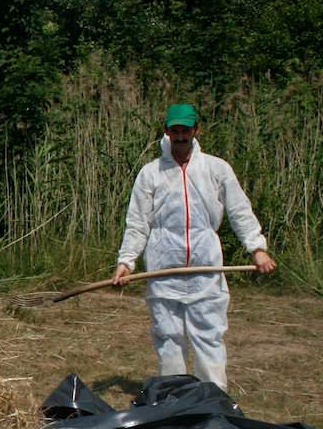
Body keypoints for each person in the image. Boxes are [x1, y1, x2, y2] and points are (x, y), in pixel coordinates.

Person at [112, 103, 277, 391]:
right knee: (168, 335)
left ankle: (213, 398)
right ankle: (172, 399)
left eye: (185, 130)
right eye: (174, 130)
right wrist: (126, 262)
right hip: (163, 268)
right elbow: (137, 222)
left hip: (206, 265)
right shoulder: (151, 173)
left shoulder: (216, 168)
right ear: (166, 131)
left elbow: (239, 210)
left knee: (208, 335)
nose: (180, 136)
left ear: (196, 130)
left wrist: (257, 248)